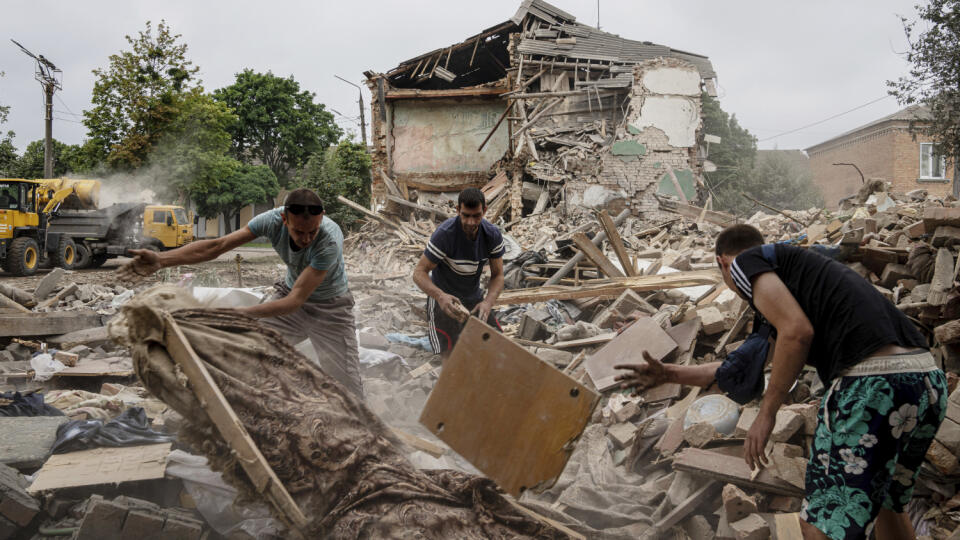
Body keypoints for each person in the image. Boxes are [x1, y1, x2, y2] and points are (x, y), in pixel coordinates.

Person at [615, 224, 945, 540]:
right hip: (924, 382)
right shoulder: (799, 281)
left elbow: (797, 332)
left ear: (722, 262)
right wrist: (670, 374)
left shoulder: (744, 262)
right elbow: (739, 366)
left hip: (873, 387)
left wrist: (767, 414)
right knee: (887, 502)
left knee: (823, 524)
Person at [118, 188, 363, 397]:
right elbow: (217, 246)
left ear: (322, 219)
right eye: (299, 232)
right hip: (289, 295)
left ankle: (368, 438)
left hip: (330, 309)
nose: (307, 238)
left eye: (313, 231)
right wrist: (161, 259)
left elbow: (294, 301)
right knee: (249, 354)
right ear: (285, 219)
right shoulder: (270, 220)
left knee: (346, 384)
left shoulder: (329, 240)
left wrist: (234, 313)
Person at [412, 187, 505, 355]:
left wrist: (488, 302)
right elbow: (419, 273)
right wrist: (440, 296)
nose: (470, 222)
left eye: (476, 216)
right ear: (457, 210)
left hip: (473, 298)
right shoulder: (445, 235)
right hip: (444, 300)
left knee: (497, 347)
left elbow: (498, 275)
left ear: (484, 210)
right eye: (465, 215)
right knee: (451, 354)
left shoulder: (491, 235)